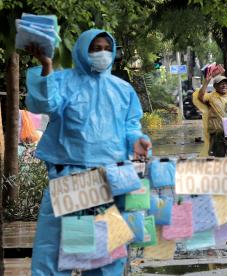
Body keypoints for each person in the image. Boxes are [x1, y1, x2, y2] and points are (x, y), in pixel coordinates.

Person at [26, 29, 152, 275]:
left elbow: (130, 126)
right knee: (56, 253)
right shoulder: (62, 81)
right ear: (82, 50)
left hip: (110, 178)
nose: (102, 53)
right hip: (70, 177)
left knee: (104, 256)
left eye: (107, 48)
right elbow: (43, 103)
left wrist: (138, 140)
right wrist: (46, 65)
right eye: (96, 48)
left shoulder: (123, 90)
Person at [195, 72, 227, 192]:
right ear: (215, 86)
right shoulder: (211, 97)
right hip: (218, 134)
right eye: (221, 84)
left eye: (226, 83)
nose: (224, 85)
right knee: (219, 159)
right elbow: (200, 97)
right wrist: (206, 81)